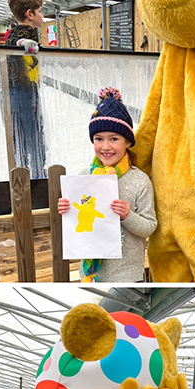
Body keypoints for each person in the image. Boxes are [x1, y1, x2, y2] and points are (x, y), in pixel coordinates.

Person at [56, 87, 156, 282]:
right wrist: (68, 210)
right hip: (91, 275)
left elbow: (149, 226)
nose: (106, 146)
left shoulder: (139, 181)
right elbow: (79, 221)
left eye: (114, 139)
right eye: (99, 139)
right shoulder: (84, 177)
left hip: (127, 277)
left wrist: (127, 215)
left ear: (128, 142)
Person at [6, 0, 49, 178]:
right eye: (40, 12)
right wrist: (23, 42)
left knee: (22, 134)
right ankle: (37, 175)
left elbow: (9, 45)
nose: (42, 16)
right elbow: (15, 41)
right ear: (30, 14)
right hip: (23, 91)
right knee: (34, 134)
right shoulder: (26, 31)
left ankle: (24, 170)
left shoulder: (15, 31)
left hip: (17, 90)